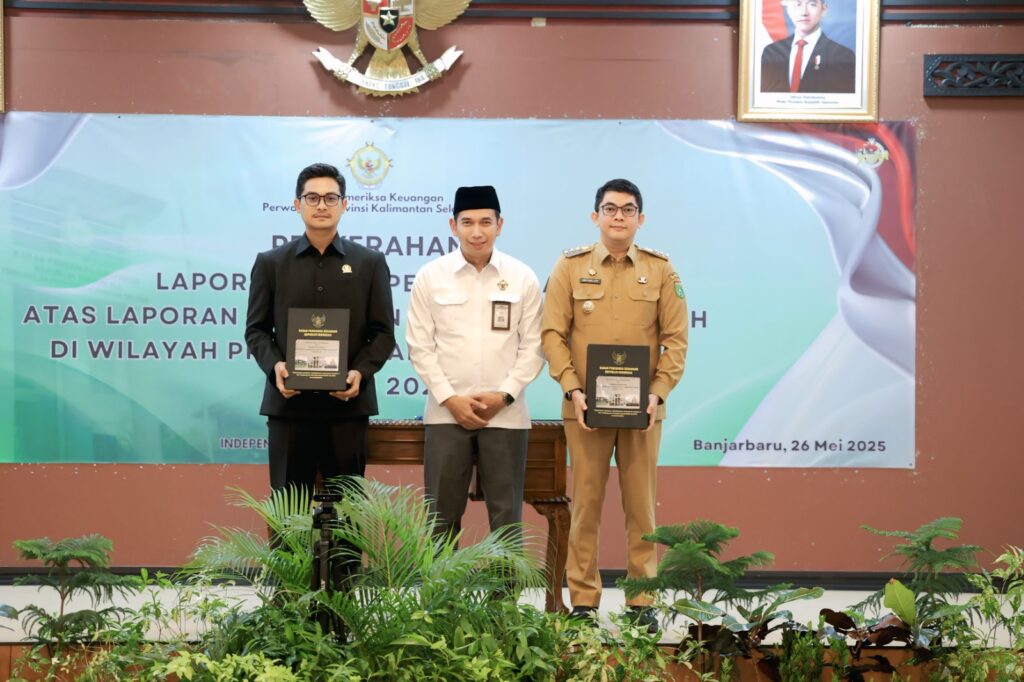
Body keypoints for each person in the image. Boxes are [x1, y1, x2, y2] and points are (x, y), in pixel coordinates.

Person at [541, 178, 688, 632]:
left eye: (627, 209)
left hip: (643, 413)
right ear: (595, 216)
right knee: (586, 506)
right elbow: (552, 335)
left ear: (640, 218)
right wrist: (573, 389)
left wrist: (657, 393)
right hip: (585, 410)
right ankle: (583, 602)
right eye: (610, 209)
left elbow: (676, 340)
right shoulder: (569, 267)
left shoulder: (662, 270)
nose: (618, 216)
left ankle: (642, 601)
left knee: (641, 508)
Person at [245, 162, 396, 495]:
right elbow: (256, 330)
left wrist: (360, 372)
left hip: (347, 407)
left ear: (344, 204)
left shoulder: (370, 263)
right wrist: (276, 366)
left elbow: (383, 334)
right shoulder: (271, 263)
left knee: (347, 510)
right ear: (297, 204)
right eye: (312, 198)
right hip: (289, 406)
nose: (322, 205)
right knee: (289, 511)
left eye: (331, 198)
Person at [406, 185, 545, 544]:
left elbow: (534, 346)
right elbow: (419, 346)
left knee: (506, 518)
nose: (477, 231)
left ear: (501, 225)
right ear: (453, 226)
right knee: (440, 517)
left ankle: (504, 585)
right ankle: (441, 584)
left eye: (486, 222)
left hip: (506, 415)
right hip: (446, 414)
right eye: (467, 222)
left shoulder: (522, 277)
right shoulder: (431, 276)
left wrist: (505, 395)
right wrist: (450, 399)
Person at [760, 0, 855, 94]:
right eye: (798, 4)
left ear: (824, 9)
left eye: (812, 4)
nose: (804, 12)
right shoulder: (771, 51)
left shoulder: (843, 55)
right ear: (788, 10)